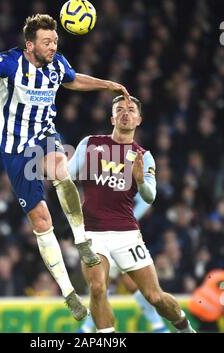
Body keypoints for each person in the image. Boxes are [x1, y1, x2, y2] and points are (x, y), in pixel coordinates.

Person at [0, 14, 130, 321]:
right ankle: (68, 292)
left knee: (60, 170)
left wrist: (108, 84)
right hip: (15, 149)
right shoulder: (11, 62)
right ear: (30, 45)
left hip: (44, 136)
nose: (53, 46)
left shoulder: (57, 65)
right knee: (42, 222)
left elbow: (73, 79)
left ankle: (82, 240)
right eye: (47, 42)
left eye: (55, 41)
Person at [68, 94, 196, 332]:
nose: (125, 113)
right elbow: (67, 176)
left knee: (155, 296)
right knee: (97, 288)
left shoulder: (143, 156)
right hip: (92, 233)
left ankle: (184, 327)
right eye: (119, 109)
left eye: (130, 110)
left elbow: (150, 196)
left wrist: (140, 180)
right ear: (112, 117)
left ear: (139, 119)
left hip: (126, 233)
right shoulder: (90, 143)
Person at [75, 193, 169, 333]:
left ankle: (159, 326)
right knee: (103, 284)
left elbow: (144, 201)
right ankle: (159, 327)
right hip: (103, 235)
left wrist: (124, 220)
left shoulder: (124, 178)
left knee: (121, 283)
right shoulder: (99, 180)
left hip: (123, 237)